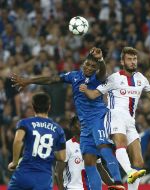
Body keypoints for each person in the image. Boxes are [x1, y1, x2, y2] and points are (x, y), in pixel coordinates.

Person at [11, 47, 124, 190]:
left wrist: (101, 60)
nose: (89, 68)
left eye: (93, 66)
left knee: (103, 147)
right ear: (83, 64)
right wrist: (29, 81)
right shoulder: (74, 76)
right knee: (90, 162)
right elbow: (52, 79)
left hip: (99, 119)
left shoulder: (98, 79)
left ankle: (119, 182)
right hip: (85, 125)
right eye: (87, 64)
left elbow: (102, 71)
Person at [79, 47, 150, 190]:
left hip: (130, 121)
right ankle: (130, 172)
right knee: (121, 144)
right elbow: (94, 94)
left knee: (139, 162)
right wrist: (84, 90)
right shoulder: (114, 78)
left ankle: (132, 179)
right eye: (129, 59)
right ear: (122, 61)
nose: (132, 62)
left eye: (134, 59)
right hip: (114, 115)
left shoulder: (141, 79)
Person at [7, 92, 66, 190]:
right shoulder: (58, 129)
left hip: (23, 174)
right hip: (43, 178)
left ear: (33, 106)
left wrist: (14, 162)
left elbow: (18, 141)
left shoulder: (24, 123)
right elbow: (62, 157)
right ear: (49, 107)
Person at [55, 116, 118, 190]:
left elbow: (100, 170)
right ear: (72, 128)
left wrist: (114, 185)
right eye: (80, 124)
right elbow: (58, 173)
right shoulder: (67, 146)